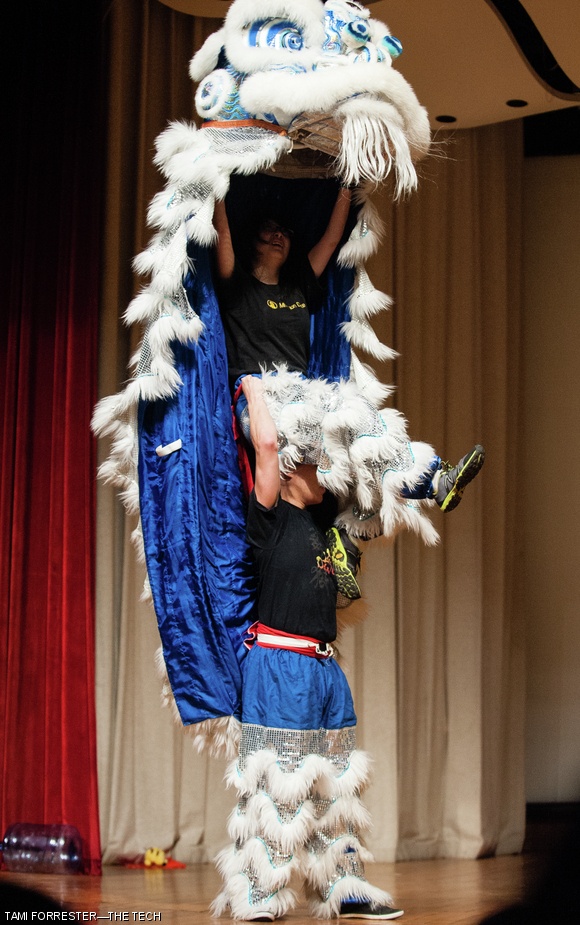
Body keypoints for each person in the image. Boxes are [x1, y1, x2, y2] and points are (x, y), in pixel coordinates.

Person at [212, 189, 485, 596]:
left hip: (306, 392)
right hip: (259, 395)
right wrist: (216, 191)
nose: (278, 236)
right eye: (269, 231)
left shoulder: (298, 285)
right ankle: (347, 540)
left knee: (361, 419)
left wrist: (344, 191)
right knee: (319, 450)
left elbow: (331, 239)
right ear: (252, 240)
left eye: (284, 232)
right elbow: (224, 239)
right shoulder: (238, 287)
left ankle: (433, 481)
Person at [212, 374, 404, 921]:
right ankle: (258, 894)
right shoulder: (271, 516)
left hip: (324, 670)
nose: (328, 472)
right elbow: (267, 444)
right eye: (318, 463)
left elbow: (367, 474)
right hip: (279, 667)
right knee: (278, 787)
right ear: (294, 468)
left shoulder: (325, 518)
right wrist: (251, 386)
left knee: (337, 788)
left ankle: (343, 886)